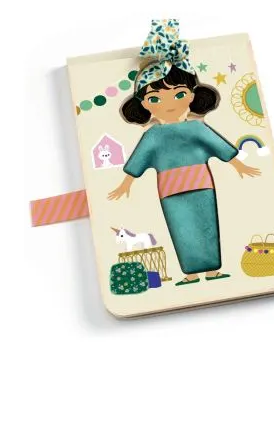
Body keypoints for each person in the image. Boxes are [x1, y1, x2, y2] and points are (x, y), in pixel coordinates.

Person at [108, 20, 261, 286]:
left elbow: (219, 147)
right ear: (144, 105)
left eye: (178, 94)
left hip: (202, 185)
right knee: (181, 228)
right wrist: (125, 184)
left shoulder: (197, 128)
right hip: (169, 191)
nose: (168, 103)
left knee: (206, 224)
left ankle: (212, 270)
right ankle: (190, 272)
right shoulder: (153, 136)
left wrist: (240, 166)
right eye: (155, 98)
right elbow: (139, 160)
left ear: (192, 95)